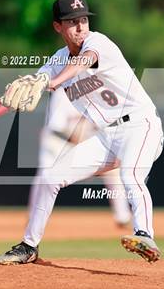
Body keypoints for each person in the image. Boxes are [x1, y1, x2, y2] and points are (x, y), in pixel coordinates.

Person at [0, 0, 164, 264]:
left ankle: (145, 235)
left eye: (83, 20)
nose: (80, 27)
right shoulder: (57, 60)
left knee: (130, 174)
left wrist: (55, 82)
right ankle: (28, 246)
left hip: (141, 126)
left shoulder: (98, 43)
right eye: (72, 22)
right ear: (58, 26)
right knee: (50, 176)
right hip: (106, 135)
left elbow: (84, 60)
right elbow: (19, 93)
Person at [29, 87, 132, 227]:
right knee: (44, 176)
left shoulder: (99, 93)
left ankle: (122, 216)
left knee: (113, 170)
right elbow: (58, 127)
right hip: (59, 142)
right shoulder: (63, 93)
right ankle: (33, 217)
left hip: (83, 141)